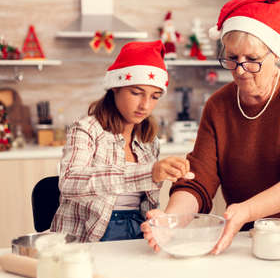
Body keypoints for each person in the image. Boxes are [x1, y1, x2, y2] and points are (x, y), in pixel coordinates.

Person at [141, 0, 280, 254]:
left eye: (252, 58)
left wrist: (247, 209)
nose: (240, 70)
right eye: (232, 58)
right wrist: (170, 221)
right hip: (255, 238)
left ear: (274, 54)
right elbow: (198, 180)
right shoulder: (218, 105)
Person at [50, 40, 191, 242]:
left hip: (137, 230)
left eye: (155, 96)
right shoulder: (86, 129)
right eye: (136, 92)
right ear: (115, 87)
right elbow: (70, 182)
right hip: (89, 238)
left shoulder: (149, 141)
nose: (145, 105)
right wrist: (149, 172)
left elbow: (147, 206)